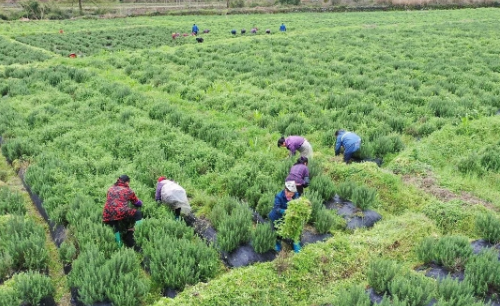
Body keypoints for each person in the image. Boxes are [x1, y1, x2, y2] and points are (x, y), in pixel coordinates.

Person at [103, 175, 143, 247]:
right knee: (138, 213)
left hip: (107, 213)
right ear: (127, 182)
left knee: (115, 226)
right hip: (121, 211)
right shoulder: (128, 191)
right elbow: (136, 203)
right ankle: (139, 232)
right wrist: (141, 203)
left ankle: (119, 245)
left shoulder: (110, 189)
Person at [268, 181, 301, 253]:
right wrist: (288, 212)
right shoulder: (279, 196)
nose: (291, 195)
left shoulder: (295, 194)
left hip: (287, 217)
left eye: (292, 194)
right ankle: (277, 244)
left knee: (294, 228)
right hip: (276, 217)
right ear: (285, 190)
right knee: (277, 231)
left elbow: (298, 201)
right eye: (290, 194)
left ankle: (296, 243)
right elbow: (277, 209)